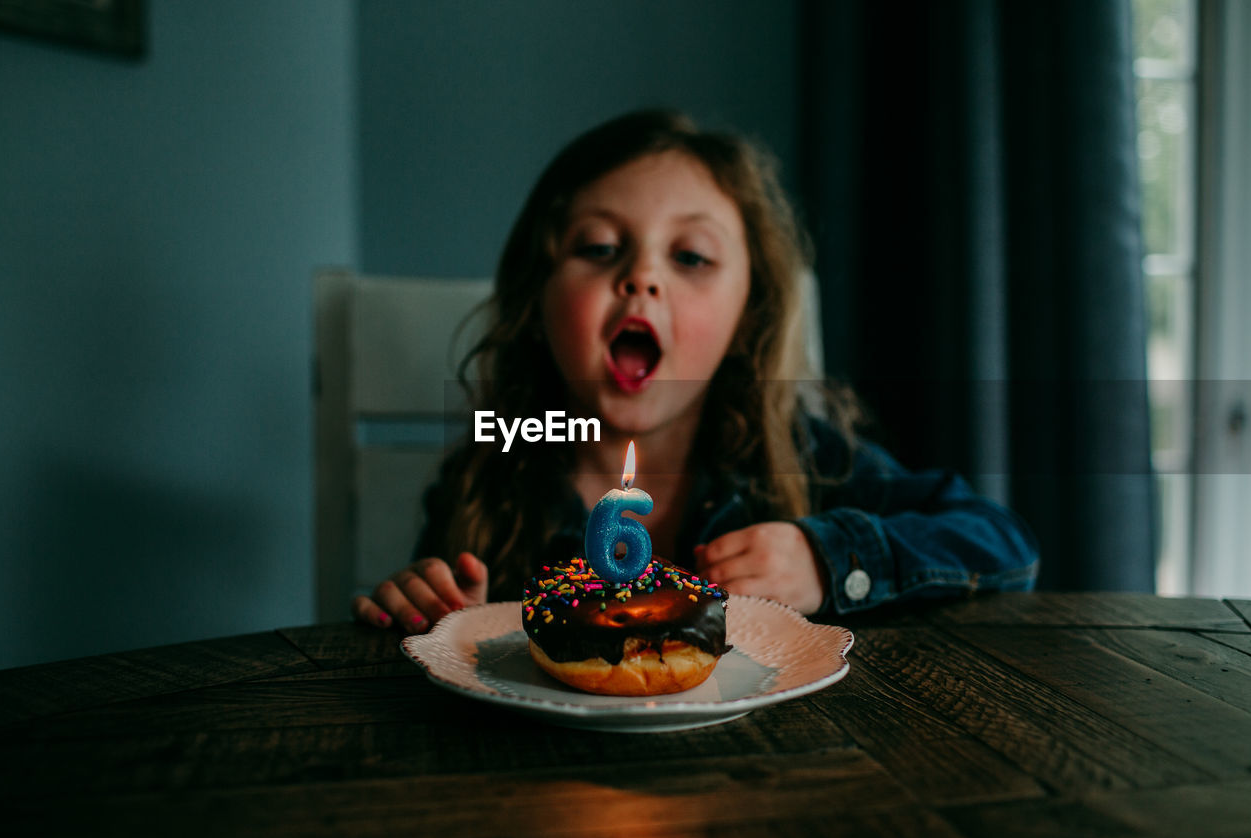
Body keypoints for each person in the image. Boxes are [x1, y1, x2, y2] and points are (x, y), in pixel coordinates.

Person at [352, 109, 1038, 633]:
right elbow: (437, 622)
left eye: (692, 257)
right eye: (599, 246)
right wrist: (444, 616)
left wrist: (828, 559)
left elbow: (1004, 543)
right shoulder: (497, 466)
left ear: (750, 312)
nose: (642, 276)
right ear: (537, 298)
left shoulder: (797, 453)